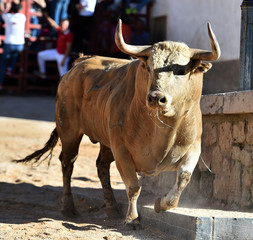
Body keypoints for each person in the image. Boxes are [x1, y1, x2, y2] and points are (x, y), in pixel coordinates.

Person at [35, 11, 73, 78]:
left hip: (63, 56)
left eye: (63, 25)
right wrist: (47, 16)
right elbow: (53, 24)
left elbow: (68, 48)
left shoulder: (69, 35)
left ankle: (64, 88)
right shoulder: (61, 31)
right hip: (57, 52)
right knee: (40, 55)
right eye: (61, 24)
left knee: (63, 76)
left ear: (67, 26)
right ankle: (42, 72)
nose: (62, 26)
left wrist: (64, 59)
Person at [0, 2, 26, 90]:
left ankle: (0, 83)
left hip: (9, 43)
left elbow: (3, 12)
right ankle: (10, 68)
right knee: (16, 54)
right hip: (20, 44)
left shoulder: (8, 17)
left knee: (3, 62)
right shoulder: (23, 17)